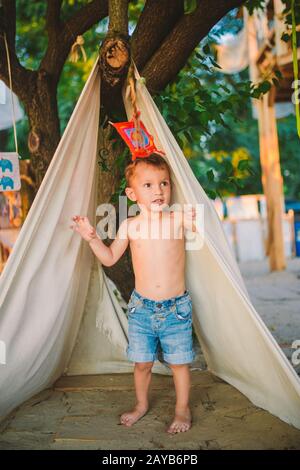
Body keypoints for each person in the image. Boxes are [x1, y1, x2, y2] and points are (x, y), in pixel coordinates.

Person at [70, 153, 198, 434]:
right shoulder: (131, 226)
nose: (159, 191)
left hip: (176, 308)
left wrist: (193, 218)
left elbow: (198, 229)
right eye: (149, 185)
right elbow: (109, 258)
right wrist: (92, 238)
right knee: (142, 363)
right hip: (142, 309)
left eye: (164, 183)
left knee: (179, 364)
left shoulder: (176, 220)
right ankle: (140, 404)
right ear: (132, 193)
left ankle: (182, 409)